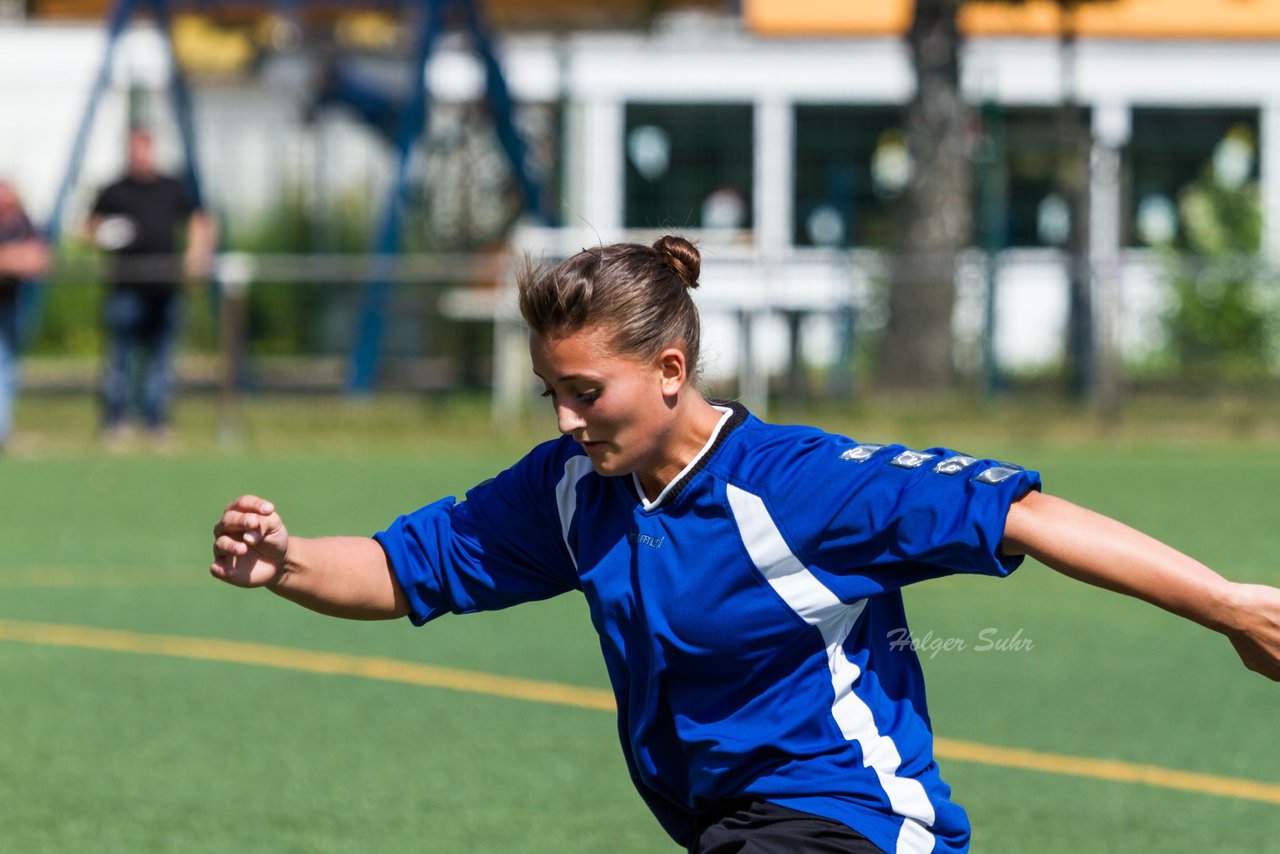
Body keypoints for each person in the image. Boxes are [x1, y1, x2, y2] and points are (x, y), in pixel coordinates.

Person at [211, 236, 1280, 854]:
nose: (562, 419)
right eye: (550, 392)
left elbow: (1026, 515)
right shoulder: (574, 491)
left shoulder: (800, 486)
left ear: (670, 369)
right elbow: (409, 568)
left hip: (849, 824)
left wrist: (1229, 604)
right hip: (731, 829)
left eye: (585, 392)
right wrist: (288, 561)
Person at [87, 127, 216, 445]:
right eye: (134, 148)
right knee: (121, 359)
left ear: (152, 149)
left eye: (144, 147)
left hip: (165, 288)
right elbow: (88, 225)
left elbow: (201, 220)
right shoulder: (115, 189)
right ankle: (116, 422)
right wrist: (104, 232)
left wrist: (196, 257)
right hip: (126, 288)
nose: (139, 154)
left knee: (162, 360)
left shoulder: (170, 186)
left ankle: (156, 422)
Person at [0, 179, 50, 452]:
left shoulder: (22, 223)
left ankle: (2, 430)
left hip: (12, 305)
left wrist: (9, 258)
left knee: (7, 366)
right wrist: (14, 258)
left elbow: (39, 259)